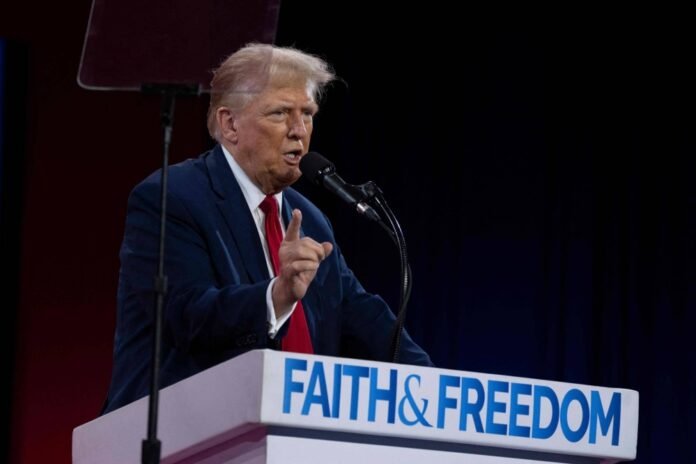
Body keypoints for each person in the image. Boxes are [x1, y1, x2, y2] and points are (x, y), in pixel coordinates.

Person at [102, 44, 431, 414]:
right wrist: (278, 295)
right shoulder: (172, 198)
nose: (299, 130)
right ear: (230, 124)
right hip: (183, 429)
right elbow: (189, 315)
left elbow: (361, 315)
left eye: (307, 114)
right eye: (280, 113)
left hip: (294, 434)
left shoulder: (311, 219)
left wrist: (439, 388)